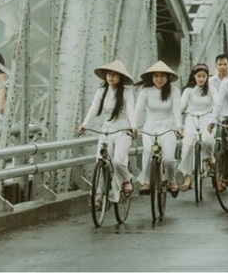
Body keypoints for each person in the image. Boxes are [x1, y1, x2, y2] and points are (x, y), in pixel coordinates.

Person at [78, 60, 137, 208]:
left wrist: (134, 126)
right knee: (101, 160)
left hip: (123, 130)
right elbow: (94, 108)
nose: (111, 77)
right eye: (109, 74)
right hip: (107, 130)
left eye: (115, 75)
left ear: (121, 77)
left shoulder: (127, 92)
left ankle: (126, 180)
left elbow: (131, 109)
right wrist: (85, 124)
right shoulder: (101, 92)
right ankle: (98, 196)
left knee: (118, 160)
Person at [131, 61, 183, 196]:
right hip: (150, 128)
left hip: (168, 128)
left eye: (162, 76)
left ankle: (172, 181)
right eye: (156, 76)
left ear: (168, 78)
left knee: (168, 159)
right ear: (151, 77)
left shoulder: (174, 91)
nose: (159, 79)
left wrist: (179, 127)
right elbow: (138, 110)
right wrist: (134, 125)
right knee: (148, 152)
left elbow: (177, 110)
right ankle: (147, 181)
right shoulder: (145, 91)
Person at [177, 64, 218, 191]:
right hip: (191, 119)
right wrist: (176, 117)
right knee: (187, 145)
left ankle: (209, 157)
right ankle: (188, 177)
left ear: (207, 77)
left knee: (207, 140)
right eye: (198, 76)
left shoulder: (211, 89)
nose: (201, 79)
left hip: (207, 119)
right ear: (194, 76)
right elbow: (181, 106)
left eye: (204, 76)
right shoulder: (188, 90)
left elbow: (217, 103)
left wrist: (213, 118)